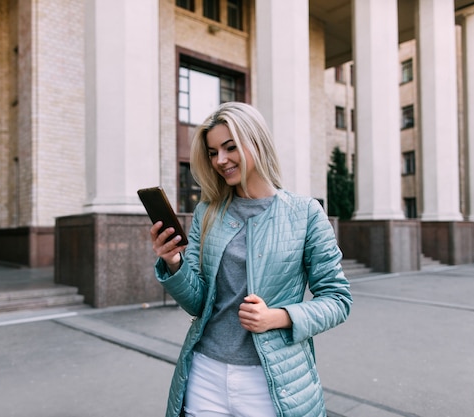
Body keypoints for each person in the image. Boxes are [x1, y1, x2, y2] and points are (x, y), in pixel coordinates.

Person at [150, 102, 352, 417]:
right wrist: (174, 264)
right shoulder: (208, 212)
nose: (221, 160)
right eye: (213, 152)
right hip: (205, 373)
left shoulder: (305, 213)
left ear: (256, 141)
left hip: (272, 380)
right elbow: (199, 303)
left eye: (230, 148)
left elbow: (338, 300)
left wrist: (278, 317)